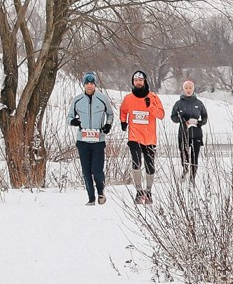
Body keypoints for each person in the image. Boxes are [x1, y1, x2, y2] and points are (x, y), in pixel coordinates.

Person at [68, 71, 116, 204]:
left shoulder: (102, 99)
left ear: (95, 85)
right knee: (86, 171)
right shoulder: (77, 100)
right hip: (82, 140)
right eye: (87, 83)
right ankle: (91, 198)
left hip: (98, 140)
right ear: (84, 85)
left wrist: (108, 125)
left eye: (92, 83)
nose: (89, 86)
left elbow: (110, 114)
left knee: (97, 170)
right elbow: (69, 117)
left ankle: (100, 192)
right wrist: (74, 121)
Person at [119, 72, 164, 202]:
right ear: (133, 82)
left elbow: (161, 115)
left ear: (145, 81)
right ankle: (139, 191)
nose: (138, 82)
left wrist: (150, 106)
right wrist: (123, 121)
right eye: (136, 80)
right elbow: (123, 110)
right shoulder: (128, 98)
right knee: (136, 162)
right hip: (134, 136)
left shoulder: (153, 97)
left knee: (150, 164)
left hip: (149, 138)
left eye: (140, 80)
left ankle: (148, 191)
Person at [170, 79, 209, 179]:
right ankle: (185, 169)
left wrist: (201, 122)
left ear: (193, 89)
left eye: (190, 88)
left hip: (196, 134)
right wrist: (182, 120)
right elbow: (173, 117)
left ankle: (193, 177)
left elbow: (205, 116)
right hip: (183, 133)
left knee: (194, 156)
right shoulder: (179, 103)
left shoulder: (199, 103)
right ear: (183, 89)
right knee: (184, 154)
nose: (188, 90)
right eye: (186, 88)